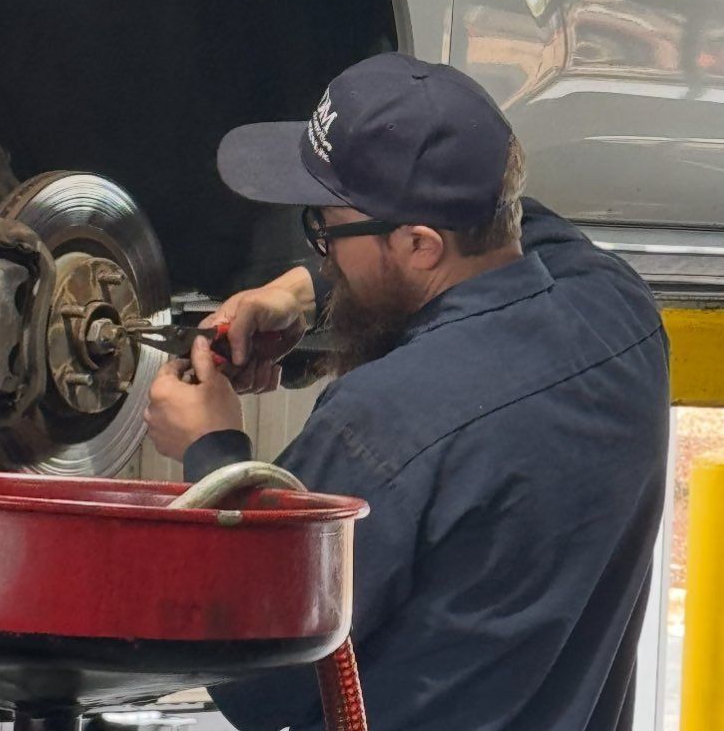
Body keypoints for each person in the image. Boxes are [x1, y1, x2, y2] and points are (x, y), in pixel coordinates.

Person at [143, 53, 670, 731]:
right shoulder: (618, 311)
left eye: (323, 229)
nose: (321, 251)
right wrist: (296, 290)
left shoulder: (381, 422)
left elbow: (254, 673)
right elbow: (527, 224)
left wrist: (211, 453)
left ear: (420, 243)